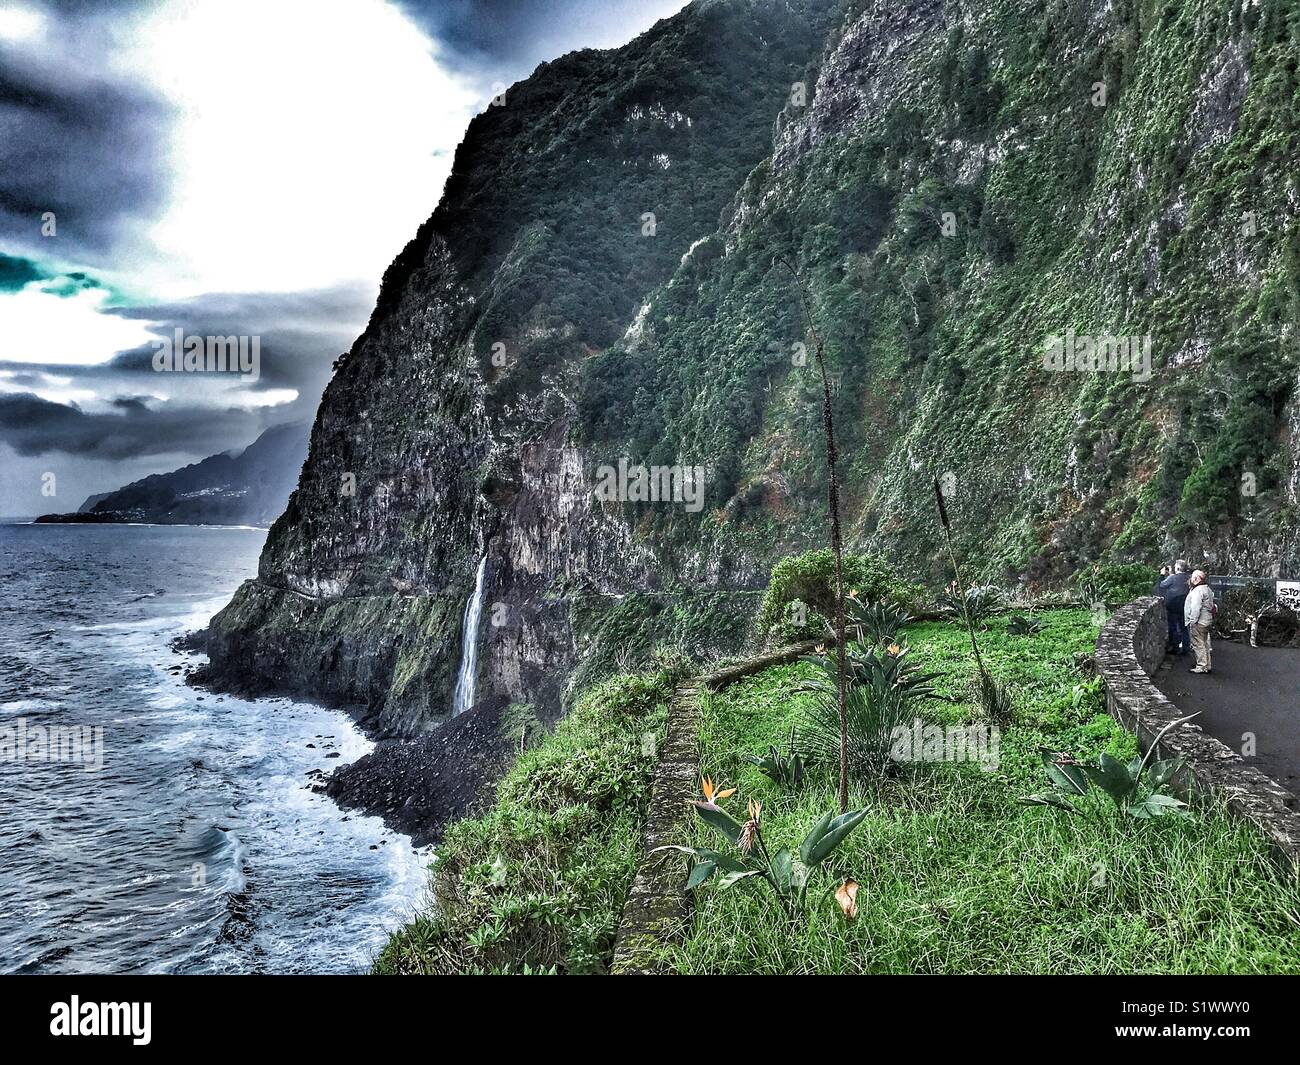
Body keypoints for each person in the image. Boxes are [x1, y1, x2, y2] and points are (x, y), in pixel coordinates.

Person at [1184, 570, 1216, 675]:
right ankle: (1207, 665)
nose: (1191, 579)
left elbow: (1195, 607)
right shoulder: (1207, 589)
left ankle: (1201, 666)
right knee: (1205, 643)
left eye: (1193, 577)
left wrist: (1192, 621)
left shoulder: (1198, 591)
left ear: (1197, 579)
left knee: (1198, 644)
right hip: (1207, 620)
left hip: (1199, 622)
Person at [1157, 560, 1191, 656]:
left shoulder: (1172, 578)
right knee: (1184, 628)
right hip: (1184, 606)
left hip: (1172, 606)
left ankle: (1175, 648)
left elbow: (1162, 585)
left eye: (1175, 566)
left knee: (1173, 627)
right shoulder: (1188, 577)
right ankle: (1185, 648)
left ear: (1178, 568)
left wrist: (1162, 575)